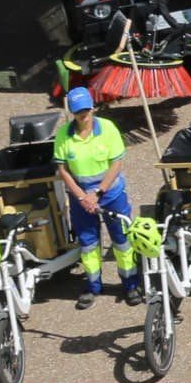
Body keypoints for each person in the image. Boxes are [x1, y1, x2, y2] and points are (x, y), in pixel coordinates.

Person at [53, 87, 137, 308]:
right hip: (83, 201)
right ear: (72, 112)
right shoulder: (64, 135)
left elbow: (116, 164)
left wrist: (97, 192)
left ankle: (130, 284)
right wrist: (82, 197)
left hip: (111, 195)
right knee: (88, 244)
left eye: (86, 110)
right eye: (79, 111)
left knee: (122, 241)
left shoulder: (107, 129)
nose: (84, 115)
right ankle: (93, 286)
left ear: (93, 108)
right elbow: (63, 171)